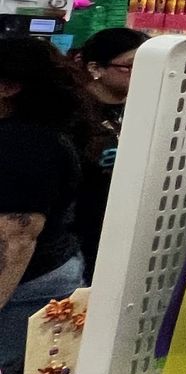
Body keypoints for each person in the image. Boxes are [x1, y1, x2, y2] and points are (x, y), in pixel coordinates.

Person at [0, 38, 84, 374]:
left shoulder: (25, 146)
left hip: (23, 285)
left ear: (9, 86)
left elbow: (16, 238)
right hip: (32, 275)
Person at [73, 27, 148, 277]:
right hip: (83, 228)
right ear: (96, 69)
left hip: (129, 223)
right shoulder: (75, 114)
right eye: (130, 66)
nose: (141, 74)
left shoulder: (148, 106)